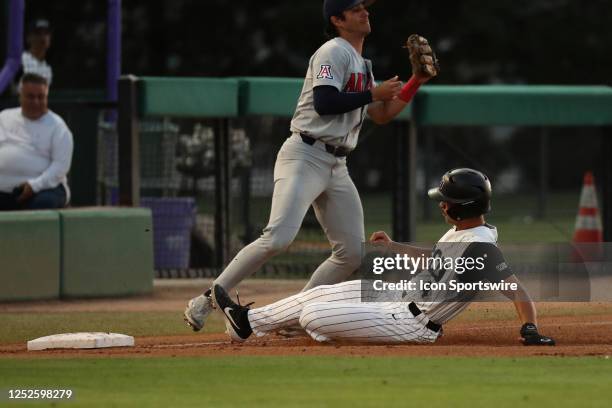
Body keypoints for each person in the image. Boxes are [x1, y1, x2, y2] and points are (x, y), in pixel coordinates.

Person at [184, 0, 438, 331]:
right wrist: (374, 92)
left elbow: (383, 114)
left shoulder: (361, 63)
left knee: (350, 254)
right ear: (337, 19)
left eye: (365, 7)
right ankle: (206, 299)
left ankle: (289, 318)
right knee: (278, 237)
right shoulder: (332, 51)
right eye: (355, 8)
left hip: (337, 164)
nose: (365, 11)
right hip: (305, 154)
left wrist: (415, 80)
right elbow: (325, 101)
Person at [212, 168, 556, 346]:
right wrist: (395, 247)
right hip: (394, 300)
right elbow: (434, 259)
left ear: (462, 206)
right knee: (316, 294)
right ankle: (247, 324)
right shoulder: (461, 233)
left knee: (314, 313)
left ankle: (318, 327)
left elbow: (517, 291)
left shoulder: (482, 248)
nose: (441, 203)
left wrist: (530, 326)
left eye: (446, 199)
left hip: (411, 324)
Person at [0, 73, 73, 210]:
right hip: (5, 190)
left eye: (41, 97)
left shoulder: (58, 127)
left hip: (44, 188)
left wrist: (34, 186)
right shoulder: (4, 118)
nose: (36, 102)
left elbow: (60, 167)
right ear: (20, 96)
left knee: (43, 204)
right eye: (30, 97)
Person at [21, 19, 53, 86]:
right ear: (28, 38)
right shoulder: (20, 61)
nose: (43, 37)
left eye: (46, 33)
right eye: (38, 33)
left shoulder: (47, 69)